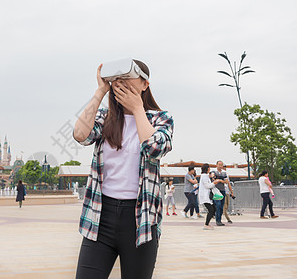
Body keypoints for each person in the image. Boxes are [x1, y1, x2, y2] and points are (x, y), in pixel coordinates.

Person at [73, 59, 174, 278]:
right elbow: (80, 135)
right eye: (118, 79)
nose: (122, 83)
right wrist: (100, 91)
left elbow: (154, 148)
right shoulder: (106, 118)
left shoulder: (160, 119)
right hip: (100, 216)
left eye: (128, 77)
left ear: (145, 84)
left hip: (140, 220)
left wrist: (137, 108)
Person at [199, 164, 222, 230]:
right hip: (205, 196)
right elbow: (207, 186)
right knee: (211, 210)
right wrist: (214, 182)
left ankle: (207, 223)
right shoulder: (204, 176)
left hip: (206, 196)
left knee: (213, 209)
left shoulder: (205, 176)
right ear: (207, 169)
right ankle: (206, 224)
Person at [212, 161, 227, 226]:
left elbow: (226, 181)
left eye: (221, 165)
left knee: (221, 206)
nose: (220, 166)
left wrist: (220, 180)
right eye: (219, 165)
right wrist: (221, 180)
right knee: (217, 205)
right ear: (216, 165)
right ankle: (217, 220)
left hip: (222, 190)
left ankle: (219, 220)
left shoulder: (224, 172)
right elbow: (213, 180)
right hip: (216, 191)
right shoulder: (213, 172)